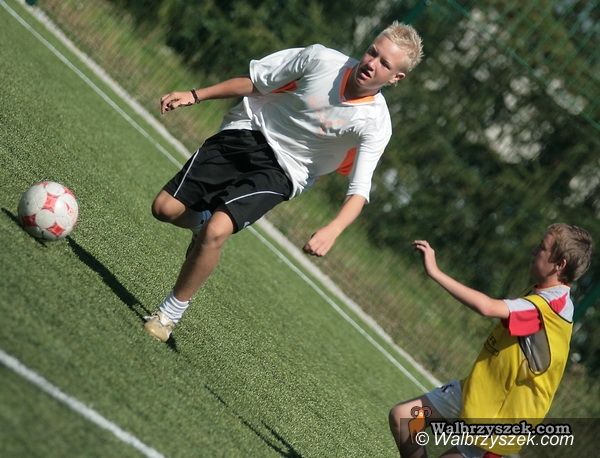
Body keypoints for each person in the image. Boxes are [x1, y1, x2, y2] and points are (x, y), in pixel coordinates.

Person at [144, 22, 424, 342]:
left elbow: (359, 190)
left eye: (384, 64)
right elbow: (255, 83)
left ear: (396, 78)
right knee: (164, 208)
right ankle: (201, 222)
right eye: (372, 52)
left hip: (287, 171)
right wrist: (195, 95)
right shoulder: (321, 59)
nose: (372, 63)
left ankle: (168, 315)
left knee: (217, 231)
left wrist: (333, 230)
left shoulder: (375, 124)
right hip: (248, 129)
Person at [389, 223, 593, 457]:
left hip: (501, 417)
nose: (534, 251)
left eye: (542, 248)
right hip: (478, 390)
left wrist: (435, 272)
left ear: (559, 265)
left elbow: (486, 307)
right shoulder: (547, 293)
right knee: (403, 418)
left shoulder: (546, 308)